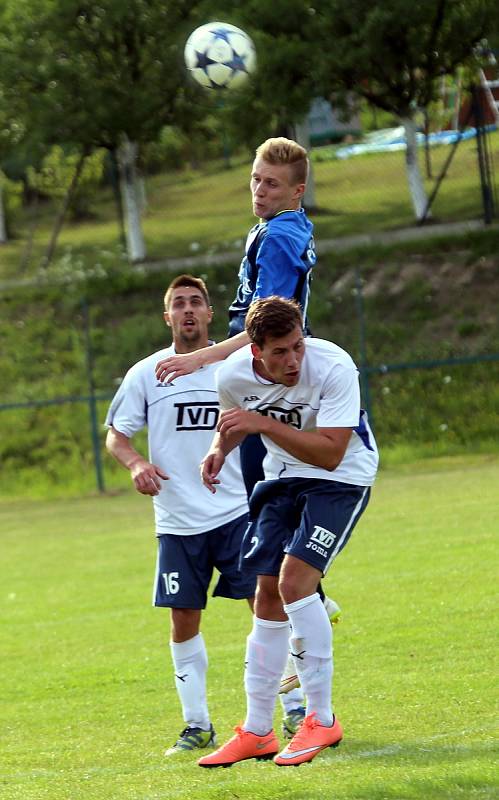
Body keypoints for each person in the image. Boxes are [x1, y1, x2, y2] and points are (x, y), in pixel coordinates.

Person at [154, 138, 339, 701]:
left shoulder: (282, 235)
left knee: (270, 499)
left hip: (263, 372)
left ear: (298, 191)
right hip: (262, 370)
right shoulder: (280, 227)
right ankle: (305, 599)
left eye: (273, 183)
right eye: (256, 179)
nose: (260, 190)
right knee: (268, 494)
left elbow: (268, 327)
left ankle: (305, 602)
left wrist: (200, 357)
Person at [104, 275, 306, 754]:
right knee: (183, 618)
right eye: (179, 304)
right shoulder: (146, 373)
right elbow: (117, 433)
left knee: (267, 604)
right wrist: (136, 464)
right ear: (167, 316)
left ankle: (295, 707)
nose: (188, 310)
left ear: (211, 314)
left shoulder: (234, 366)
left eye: (196, 302)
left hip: (237, 511)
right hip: (176, 522)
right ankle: (197, 725)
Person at [197, 296, 379, 768]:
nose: (293, 359)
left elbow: (331, 454)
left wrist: (259, 423)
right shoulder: (232, 374)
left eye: (297, 345)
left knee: (297, 582)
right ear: (255, 351)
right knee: (267, 594)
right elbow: (235, 419)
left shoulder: (335, 365)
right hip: (282, 478)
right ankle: (258, 731)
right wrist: (220, 447)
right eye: (279, 352)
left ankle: (321, 718)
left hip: (341, 480)